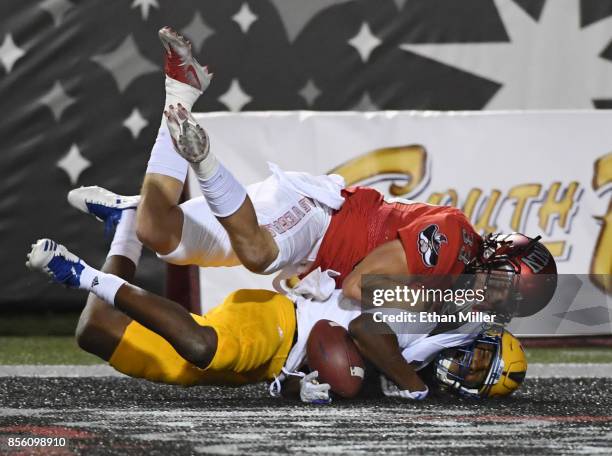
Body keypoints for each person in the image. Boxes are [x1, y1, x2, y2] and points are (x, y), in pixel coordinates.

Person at [68, 27, 557, 321]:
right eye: (501, 291)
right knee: (258, 255)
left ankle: (179, 96)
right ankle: (204, 160)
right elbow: (359, 286)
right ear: (495, 259)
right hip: (317, 219)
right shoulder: (452, 241)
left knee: (159, 233)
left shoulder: (453, 269)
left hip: (311, 242)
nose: (493, 304)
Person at [25, 228, 527, 403]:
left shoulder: (423, 360)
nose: (466, 369)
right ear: (473, 339)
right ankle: (83, 275)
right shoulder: (436, 317)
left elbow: (332, 376)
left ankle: (125, 230)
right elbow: (358, 329)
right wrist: (411, 386)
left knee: (96, 333)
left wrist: (296, 388)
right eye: (478, 360)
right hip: (281, 322)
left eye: (478, 376)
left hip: (273, 362)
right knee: (202, 346)